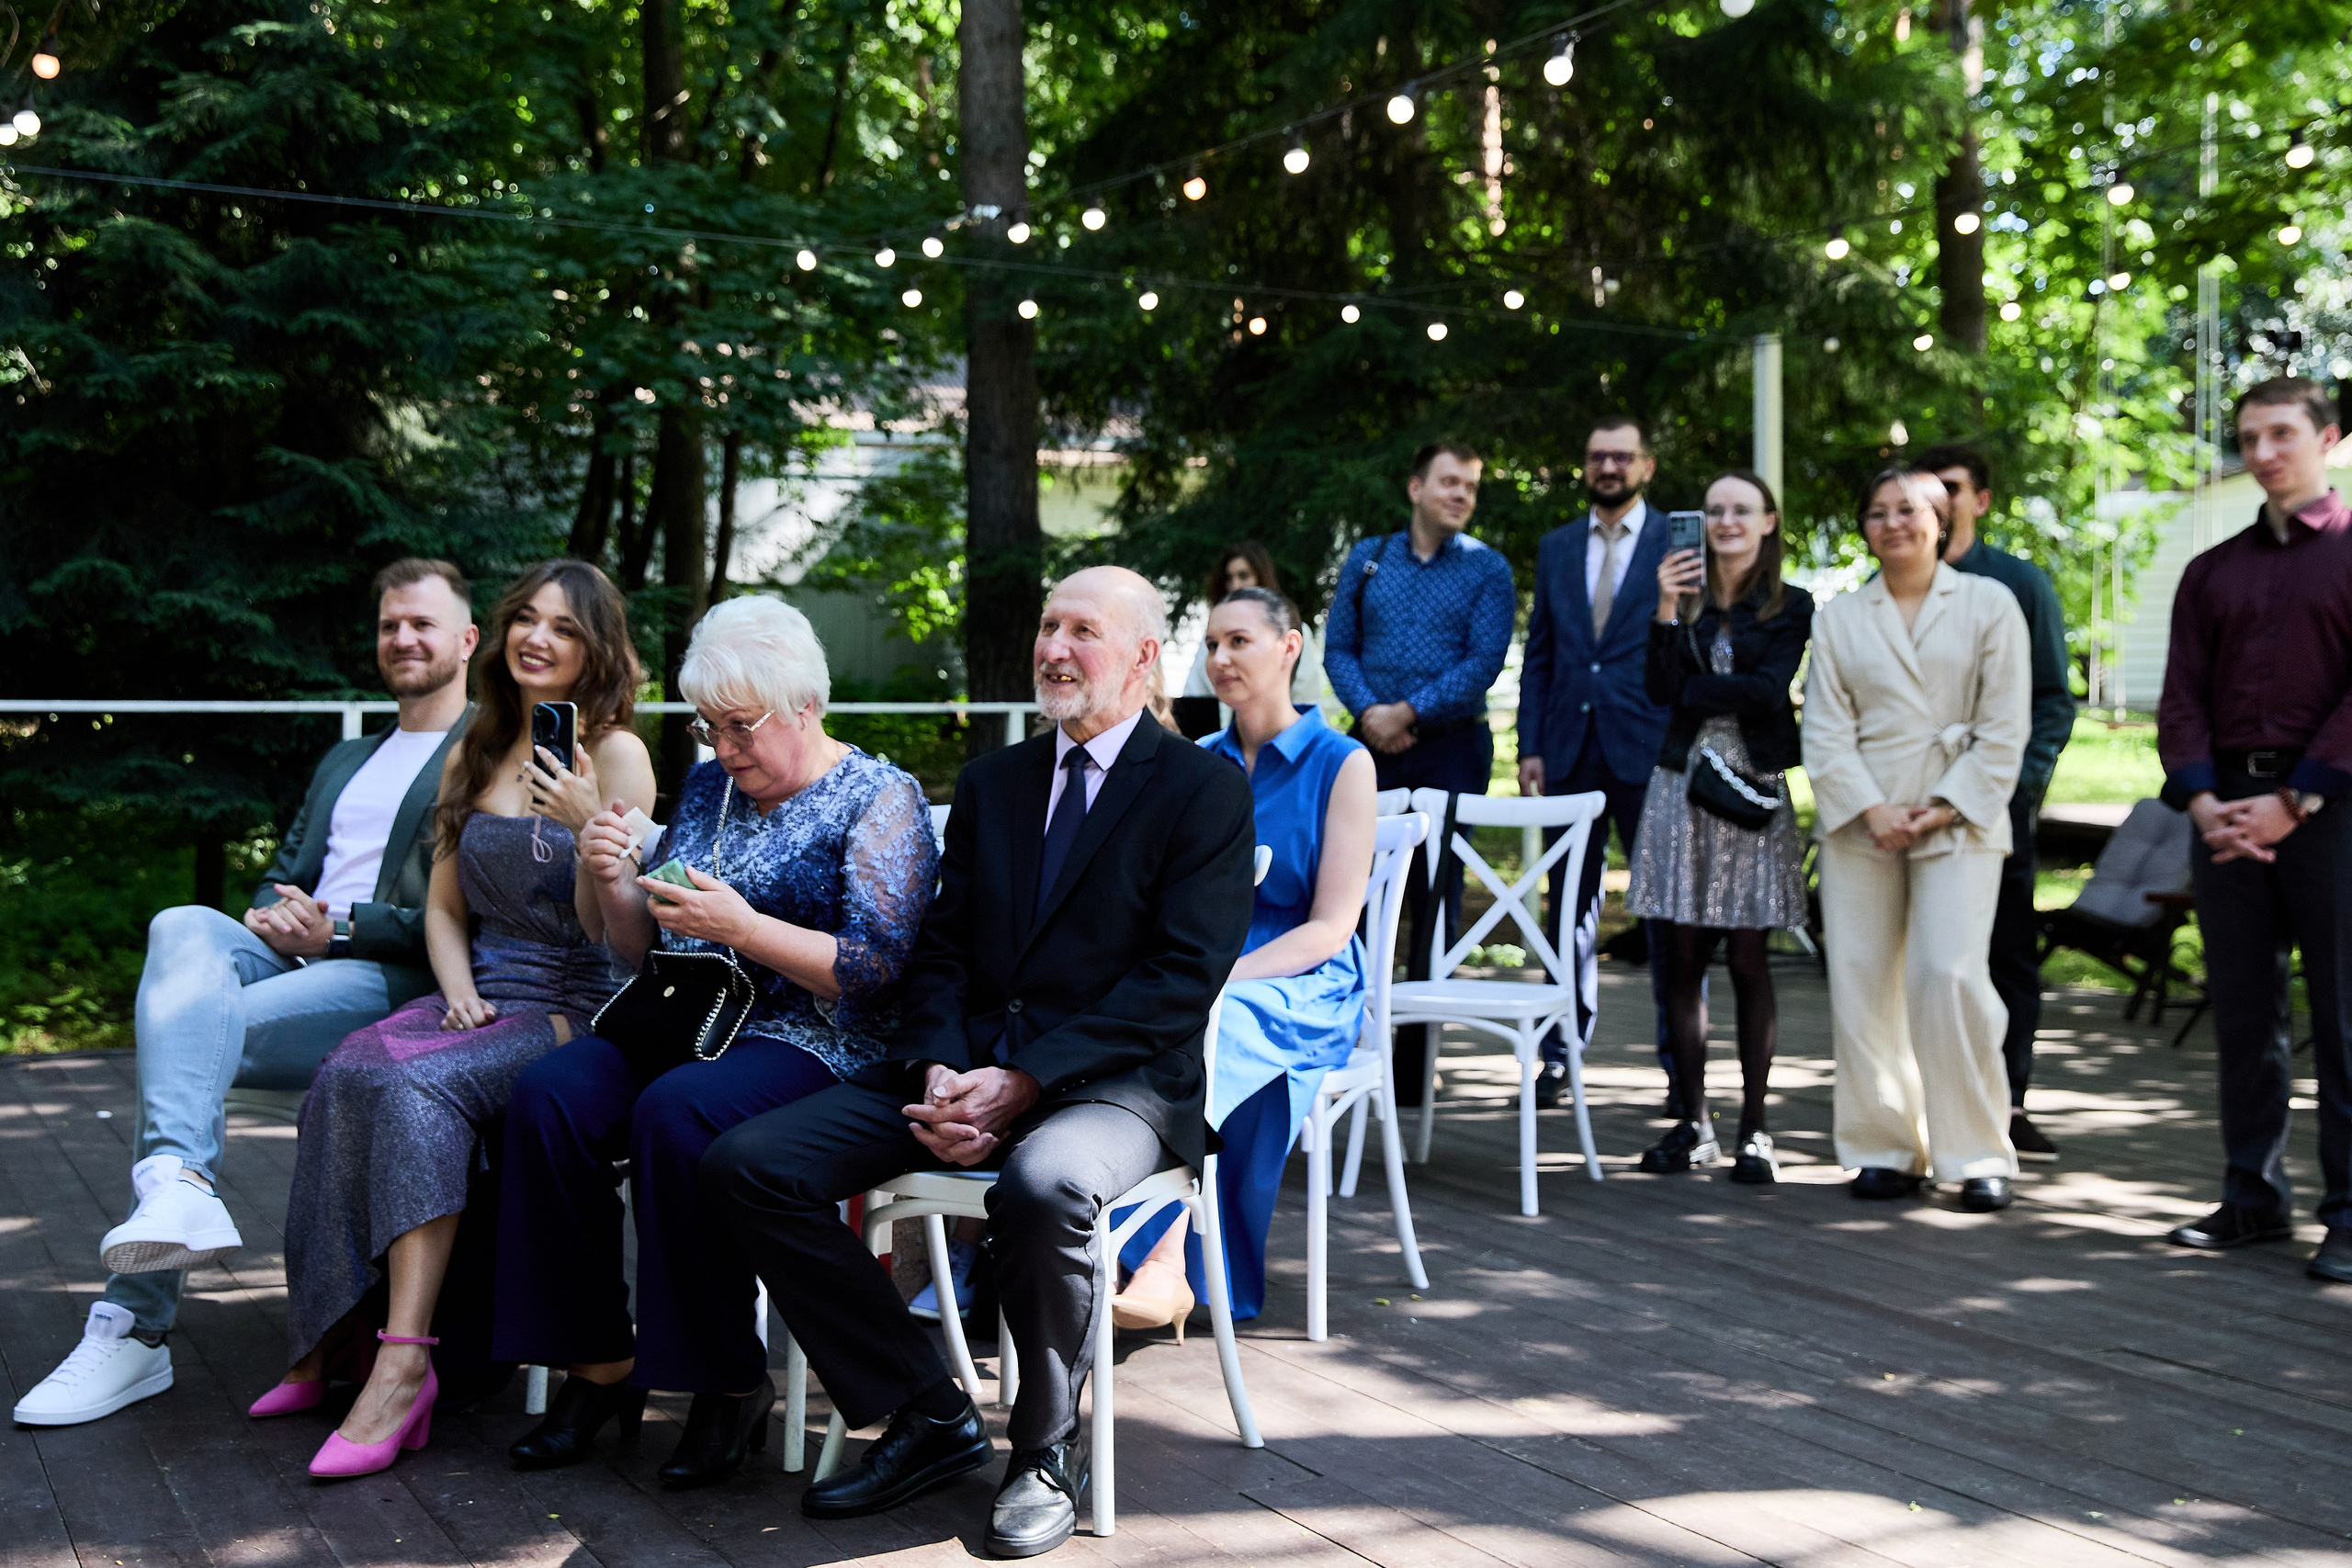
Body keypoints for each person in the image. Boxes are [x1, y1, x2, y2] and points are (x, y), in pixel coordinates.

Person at [698, 566, 1255, 1559]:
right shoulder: (997, 783)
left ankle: (1044, 1454)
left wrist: (1026, 1080)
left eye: (1084, 631)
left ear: (1141, 658)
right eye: (1047, 625)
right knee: (749, 1164)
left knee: (1043, 1186)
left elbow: (1178, 982)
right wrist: (938, 1076)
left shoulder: (1202, 790)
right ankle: (924, 1409)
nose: (1054, 648)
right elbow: (941, 953)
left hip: (1115, 1085)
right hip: (967, 1071)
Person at [12, 560, 478, 1429]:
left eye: (421, 623)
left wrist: (336, 929)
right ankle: (176, 1181)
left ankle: (132, 1327)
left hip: (385, 979)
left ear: (466, 639)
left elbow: (469, 915)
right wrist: (275, 913)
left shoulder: (487, 749)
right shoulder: (349, 754)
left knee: (193, 1039)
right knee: (182, 923)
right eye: (389, 625)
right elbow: (281, 873)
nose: (403, 639)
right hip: (291, 958)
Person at [493, 596, 939, 1487]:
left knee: (675, 1113)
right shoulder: (707, 788)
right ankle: (596, 1363)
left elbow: (876, 969)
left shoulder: (878, 798)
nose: (724, 749)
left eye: (741, 727)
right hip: (686, 1013)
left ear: (804, 704)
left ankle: (725, 1384)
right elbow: (643, 947)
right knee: (547, 1096)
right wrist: (615, 876)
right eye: (709, 728)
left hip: (816, 1033)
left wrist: (744, 929)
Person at [252, 560, 655, 1479]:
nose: (537, 637)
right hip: (477, 990)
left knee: (410, 1084)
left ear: (594, 646)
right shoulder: (476, 743)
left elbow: (611, 938)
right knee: (348, 1068)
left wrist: (596, 830)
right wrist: (457, 990)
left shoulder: (618, 751)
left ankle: (404, 1364)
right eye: (525, 619)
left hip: (570, 1005)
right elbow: (442, 907)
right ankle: (323, 1341)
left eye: (562, 625)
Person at [1110, 585, 1375, 1328]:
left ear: (1289, 647)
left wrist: (1217, 977)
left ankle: (1163, 1261)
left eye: (1239, 642)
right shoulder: (1197, 760)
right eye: (1213, 644)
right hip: (1202, 964)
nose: (1220, 658)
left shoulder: (1342, 761)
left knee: (1203, 1026)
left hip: (1303, 978)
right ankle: (1060, 1239)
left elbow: (1330, 928)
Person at [2156, 378, 2352, 1285]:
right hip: (2225, 813)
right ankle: (2250, 1197)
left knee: (2342, 1017)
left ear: (2329, 438)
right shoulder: (2210, 572)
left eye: (2281, 434)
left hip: (2331, 812)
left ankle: (2348, 1214)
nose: (2263, 452)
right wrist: (2204, 803)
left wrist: (2295, 799)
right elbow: (2182, 700)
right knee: (2243, 1011)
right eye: (2247, 437)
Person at [1804, 468, 2030, 1213]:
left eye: (1908, 509)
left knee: (1949, 976)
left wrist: (1940, 805)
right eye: (1876, 512)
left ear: (1941, 519)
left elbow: (2006, 725)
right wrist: (1873, 809)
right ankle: (1883, 1145)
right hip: (1862, 821)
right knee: (1863, 982)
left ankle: (1976, 1151)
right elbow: (1825, 730)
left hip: (1959, 816)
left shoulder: (1991, 604)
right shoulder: (1839, 617)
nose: (1892, 522)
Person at [1623, 470, 1813, 1182]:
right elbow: (1656, 689)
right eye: (1714, 510)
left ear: (1768, 521)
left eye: (1742, 509)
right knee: (1681, 957)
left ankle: (1756, 1128)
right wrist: (1669, 608)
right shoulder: (1682, 599)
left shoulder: (1792, 605)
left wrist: (1694, 689)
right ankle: (1693, 1120)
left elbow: (1768, 692)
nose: (1726, 520)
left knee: (1747, 958)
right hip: (1679, 784)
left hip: (1750, 786)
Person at [1324, 442, 1512, 1105]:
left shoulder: (1488, 569)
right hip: (1368, 744)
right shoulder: (1368, 558)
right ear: (1415, 487)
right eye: (1449, 482)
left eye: (1471, 486)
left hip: (1452, 745)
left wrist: (1410, 709)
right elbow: (1338, 647)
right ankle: (1343, 1046)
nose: (1461, 495)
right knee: (1353, 891)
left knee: (1436, 898)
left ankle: (1411, 1073)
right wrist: (1373, 713)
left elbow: (1484, 659)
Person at [1519, 416, 1684, 1111]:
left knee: (1667, 911)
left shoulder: (1676, 540)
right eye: (1597, 456)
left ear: (1646, 466)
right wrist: (1531, 744)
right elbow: (1544, 654)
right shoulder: (1558, 547)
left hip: (1650, 748)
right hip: (1568, 749)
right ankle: (1560, 1056)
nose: (1608, 466)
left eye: (1622, 456)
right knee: (1567, 912)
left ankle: (1685, 1067)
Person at [1917, 444, 2075, 1162]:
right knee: (1920, 959)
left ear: (1980, 499)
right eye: (1928, 489)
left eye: (1952, 488)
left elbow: (2050, 701)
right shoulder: (1892, 583)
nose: (1939, 501)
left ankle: (2008, 1100)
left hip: (1996, 804)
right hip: (1905, 810)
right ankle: (1924, 1103)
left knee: (2005, 953)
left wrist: (2014, 787)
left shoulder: (2018, 583)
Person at [1181, 541, 1326, 707]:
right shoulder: (1215, 634)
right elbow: (1194, 696)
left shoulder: (1294, 630)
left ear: (1290, 646)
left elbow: (1306, 697)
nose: (1235, 585)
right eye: (1229, 578)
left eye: (1243, 576)